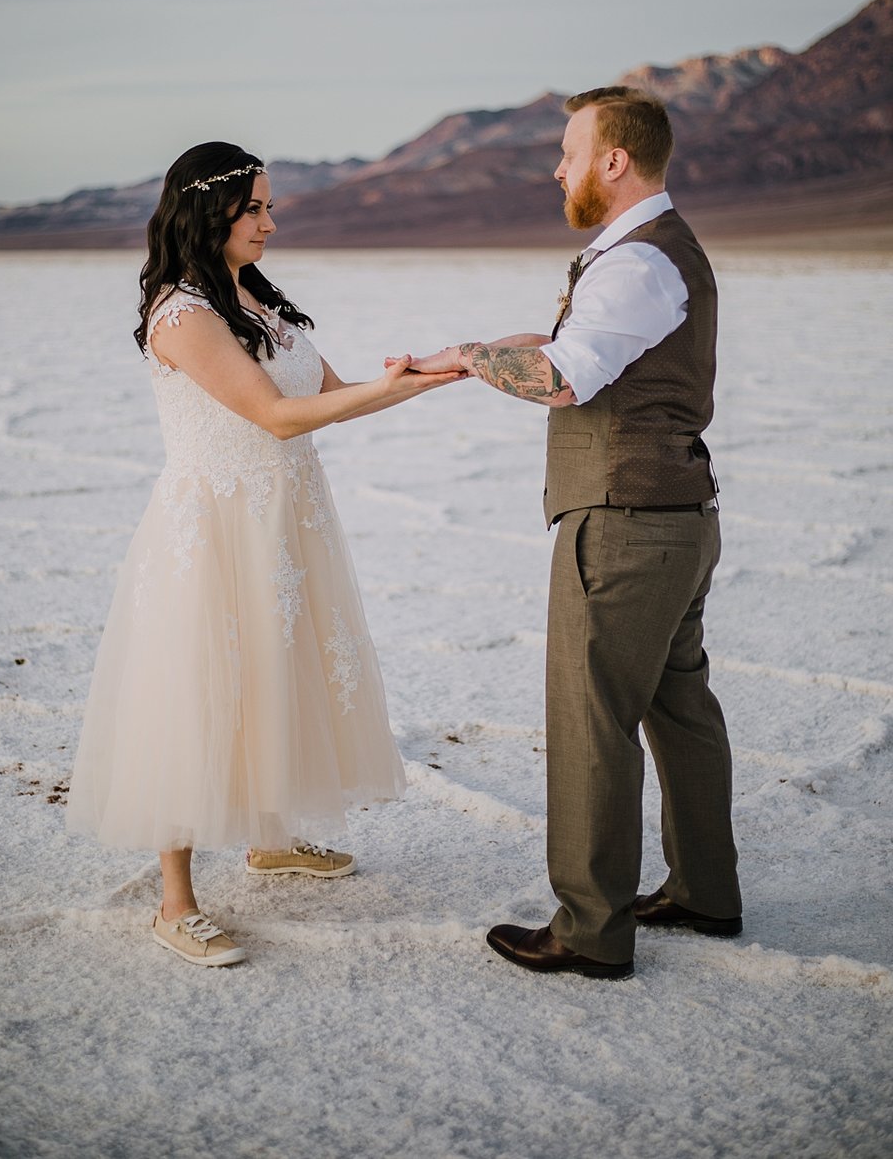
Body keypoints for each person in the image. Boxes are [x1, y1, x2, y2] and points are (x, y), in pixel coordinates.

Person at [66, 141, 461, 966]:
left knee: (276, 670)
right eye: (257, 209)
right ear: (210, 211)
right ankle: (175, 901)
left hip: (284, 520)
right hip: (215, 525)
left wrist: (420, 377)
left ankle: (267, 835)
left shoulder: (252, 296)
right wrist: (394, 388)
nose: (271, 223)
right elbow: (274, 418)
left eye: (271, 206)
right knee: (196, 687)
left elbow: (324, 396)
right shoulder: (182, 313)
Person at [402, 87, 742, 980]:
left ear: (614, 161)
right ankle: (706, 890)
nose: (558, 168)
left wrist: (477, 364)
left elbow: (564, 377)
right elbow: (572, 341)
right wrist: (463, 350)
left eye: (569, 151)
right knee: (681, 710)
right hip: (673, 519)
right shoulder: (648, 254)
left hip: (624, 527)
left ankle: (591, 931)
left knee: (593, 723)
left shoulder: (637, 262)